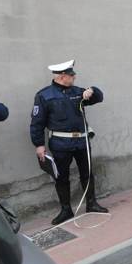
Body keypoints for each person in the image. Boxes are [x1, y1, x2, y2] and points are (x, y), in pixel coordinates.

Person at [30, 60, 109, 225]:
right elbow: (37, 122)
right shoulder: (44, 95)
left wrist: (92, 91)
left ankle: (91, 203)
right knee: (61, 177)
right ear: (62, 76)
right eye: (71, 75)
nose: (74, 77)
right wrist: (39, 144)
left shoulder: (78, 91)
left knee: (87, 173)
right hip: (60, 144)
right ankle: (66, 210)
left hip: (81, 141)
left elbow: (99, 97)